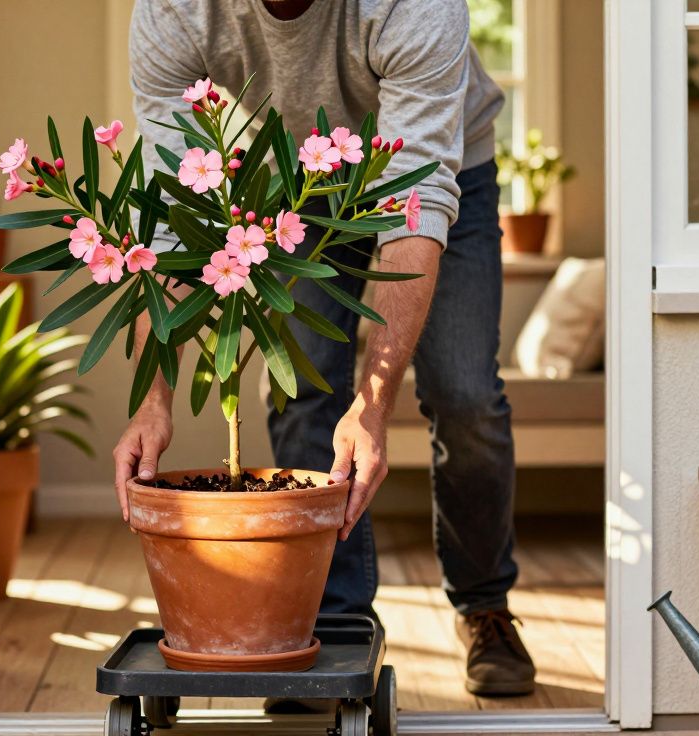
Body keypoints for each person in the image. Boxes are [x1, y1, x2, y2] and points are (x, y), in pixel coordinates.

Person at [111, 0, 535, 697]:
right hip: (297, 178)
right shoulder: (173, 9)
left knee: (463, 395)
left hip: (441, 168)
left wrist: (372, 405)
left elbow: (413, 203)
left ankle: (485, 604)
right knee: (302, 391)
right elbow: (166, 203)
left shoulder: (414, 7)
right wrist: (153, 400)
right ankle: (332, 624)